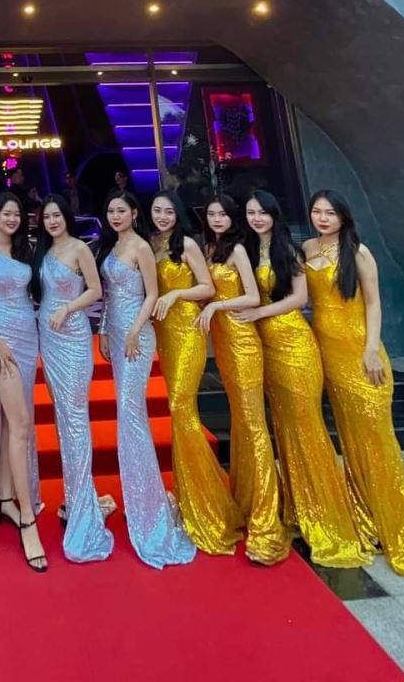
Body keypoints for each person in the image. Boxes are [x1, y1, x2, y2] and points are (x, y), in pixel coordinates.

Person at [304, 190, 404, 580]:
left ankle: (396, 527)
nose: (322, 218)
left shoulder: (359, 252)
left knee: (376, 439)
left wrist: (371, 349)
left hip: (360, 353)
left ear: (343, 217)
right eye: (317, 212)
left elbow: (373, 303)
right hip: (328, 356)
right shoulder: (307, 248)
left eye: (330, 213)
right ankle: (365, 516)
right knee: (350, 437)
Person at [233, 191, 372, 568]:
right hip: (266, 348)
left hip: (294, 345)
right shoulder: (249, 250)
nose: (257, 218)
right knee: (286, 429)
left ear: (275, 214)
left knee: (307, 428)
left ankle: (328, 518)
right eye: (251, 212)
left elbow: (298, 299)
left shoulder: (289, 251)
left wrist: (259, 314)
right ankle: (298, 509)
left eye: (263, 212)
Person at [97, 189, 196, 569]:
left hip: (137, 336)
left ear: (134, 213)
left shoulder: (141, 246)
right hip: (116, 331)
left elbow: (152, 294)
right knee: (129, 416)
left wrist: (135, 330)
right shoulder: (112, 247)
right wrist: (104, 330)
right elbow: (108, 296)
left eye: (121, 210)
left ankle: (149, 505)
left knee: (130, 412)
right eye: (111, 210)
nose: (115, 216)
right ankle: (140, 496)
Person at [196, 195, 290, 565]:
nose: (217, 219)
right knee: (241, 421)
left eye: (223, 214)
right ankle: (246, 500)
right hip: (223, 344)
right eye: (211, 214)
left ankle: (266, 519)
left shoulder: (236, 250)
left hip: (242, 341)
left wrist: (217, 305)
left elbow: (252, 297)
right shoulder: (209, 249)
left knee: (253, 425)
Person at [149, 191, 243, 555]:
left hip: (188, 330)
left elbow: (207, 287)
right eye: (157, 210)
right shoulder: (152, 244)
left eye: (168, 211)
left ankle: (207, 504)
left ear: (178, 214)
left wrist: (176, 295)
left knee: (180, 407)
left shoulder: (186, 244)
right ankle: (190, 493)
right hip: (164, 334)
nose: (162, 216)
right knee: (180, 413)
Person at [0, 191, 47, 571]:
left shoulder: (25, 251)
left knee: (12, 422)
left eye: (17, 214)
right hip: (0, 341)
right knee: (21, 424)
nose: (12, 219)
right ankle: (27, 515)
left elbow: (36, 294)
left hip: (29, 337)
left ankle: (2, 496)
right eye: (6, 213)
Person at [33, 194, 113, 563]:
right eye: (47, 217)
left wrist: (67, 308)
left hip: (75, 335)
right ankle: (74, 495)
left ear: (66, 216)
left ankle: (83, 505)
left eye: (57, 215)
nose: (52, 221)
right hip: (48, 337)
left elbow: (96, 290)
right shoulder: (42, 252)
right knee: (61, 417)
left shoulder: (80, 248)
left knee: (76, 416)